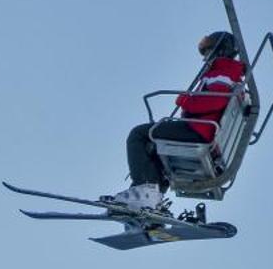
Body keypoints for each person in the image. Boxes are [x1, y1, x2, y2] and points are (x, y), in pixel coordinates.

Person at [105, 31, 246, 211]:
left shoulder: (224, 70)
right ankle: (151, 200)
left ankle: (145, 193)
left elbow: (215, 99)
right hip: (201, 128)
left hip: (199, 130)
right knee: (154, 147)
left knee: (139, 135)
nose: (205, 58)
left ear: (219, 50)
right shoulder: (225, 71)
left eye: (208, 51)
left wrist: (184, 100)